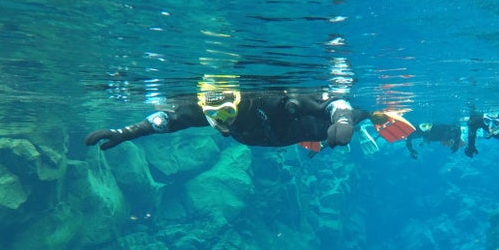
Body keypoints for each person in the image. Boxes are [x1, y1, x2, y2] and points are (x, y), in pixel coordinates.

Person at [84, 87, 415, 153]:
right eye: (214, 116)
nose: (221, 121)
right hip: (285, 138)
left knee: (338, 125)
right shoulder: (211, 110)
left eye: (226, 113)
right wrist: (125, 132)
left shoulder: (274, 99)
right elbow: (169, 120)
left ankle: (371, 115)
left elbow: (333, 101)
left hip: (305, 127)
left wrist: (344, 120)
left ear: (239, 101)